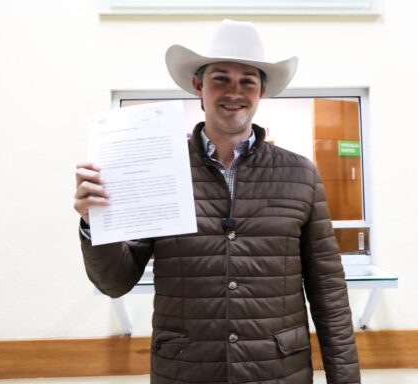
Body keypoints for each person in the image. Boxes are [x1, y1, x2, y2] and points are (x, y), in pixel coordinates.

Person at [74, 20, 361, 383]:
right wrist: (94, 224)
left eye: (247, 81)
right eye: (220, 79)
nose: (234, 92)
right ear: (199, 85)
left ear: (262, 90)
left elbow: (329, 294)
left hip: (277, 371)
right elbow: (116, 282)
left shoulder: (301, 174)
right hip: (186, 371)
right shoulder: (159, 169)